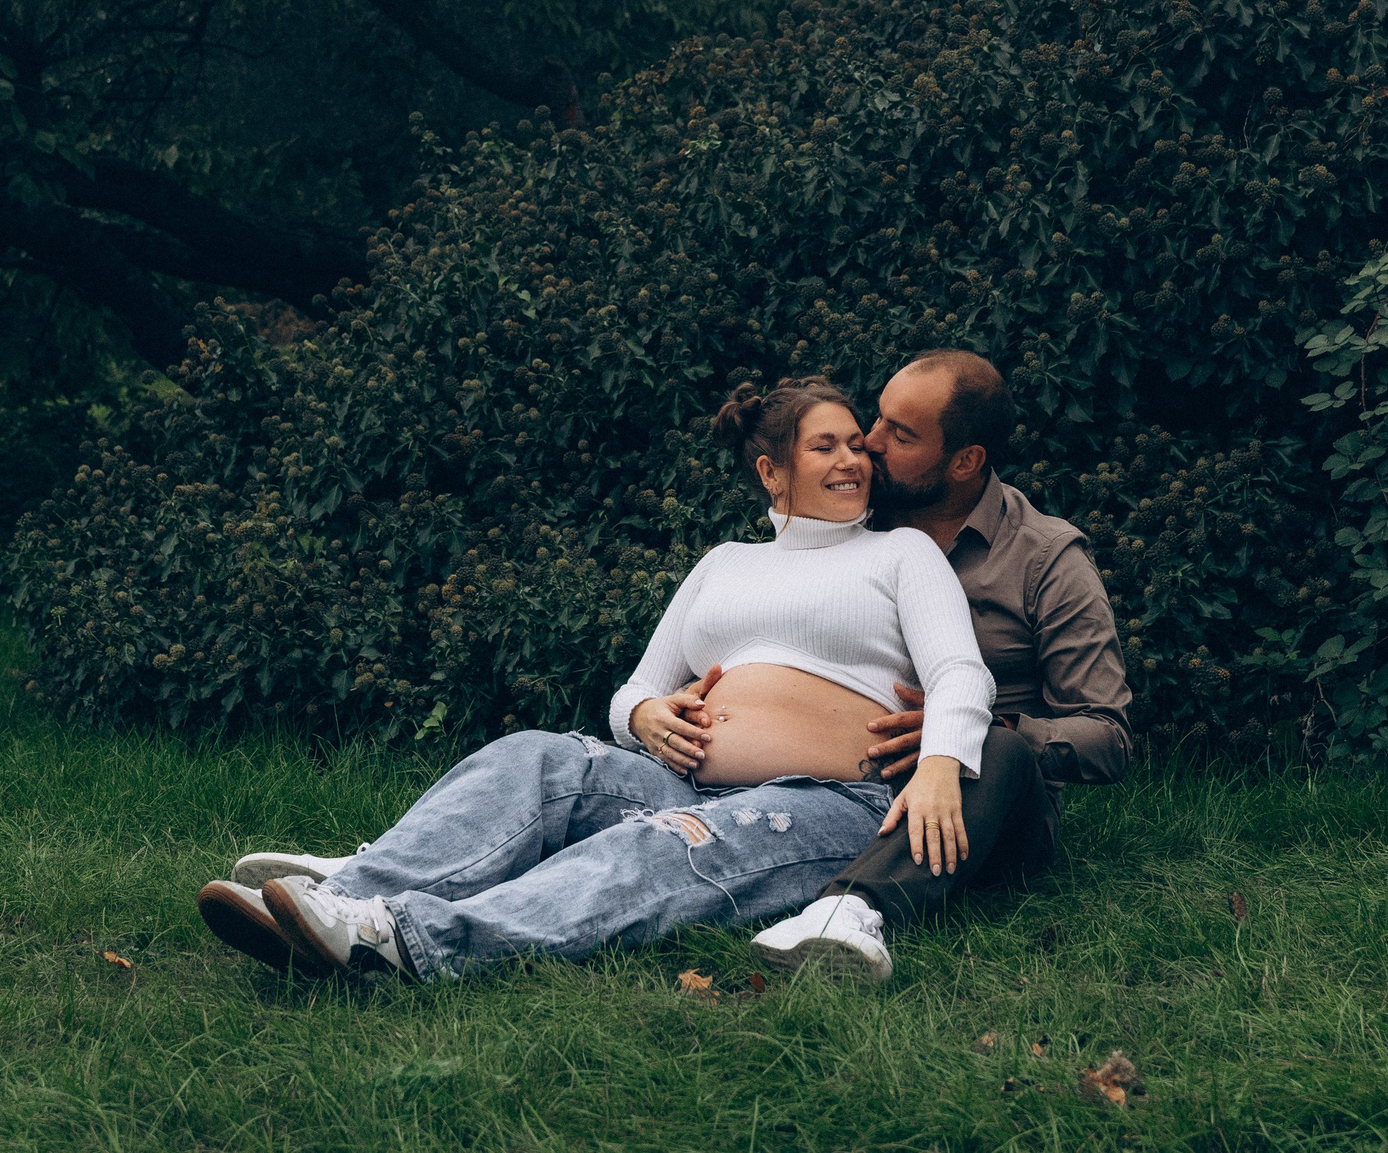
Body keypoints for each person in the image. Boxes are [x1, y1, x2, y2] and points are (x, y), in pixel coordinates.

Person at [193, 377, 998, 982]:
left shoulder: (900, 554)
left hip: (826, 803)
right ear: (772, 471)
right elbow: (635, 690)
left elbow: (960, 672)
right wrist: (644, 717)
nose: (854, 459)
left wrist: (940, 765)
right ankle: (342, 902)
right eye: (827, 447)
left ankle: (406, 940)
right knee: (536, 757)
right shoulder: (726, 563)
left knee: (654, 845)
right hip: (684, 782)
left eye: (857, 444)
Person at [746, 349, 1130, 982]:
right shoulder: (852, 515)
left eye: (901, 435)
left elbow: (1108, 737)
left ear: (965, 461)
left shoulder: (1045, 559)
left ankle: (850, 912)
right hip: (854, 773)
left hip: (991, 805)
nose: (869, 443)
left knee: (992, 747)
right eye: (879, 418)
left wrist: (973, 730)